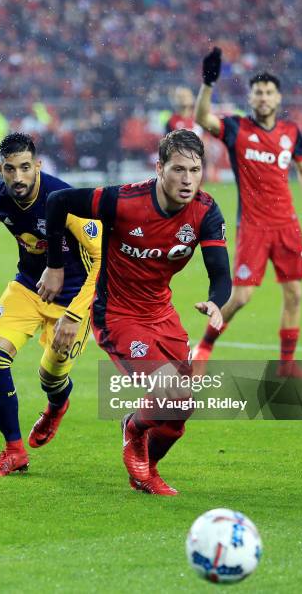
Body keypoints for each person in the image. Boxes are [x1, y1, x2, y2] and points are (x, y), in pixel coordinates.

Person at [38, 129, 232, 495]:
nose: (187, 179)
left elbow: (221, 273)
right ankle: (134, 429)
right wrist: (55, 265)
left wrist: (215, 302)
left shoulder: (205, 211)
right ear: (159, 168)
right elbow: (59, 201)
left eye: (194, 170)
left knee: (179, 415)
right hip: (118, 315)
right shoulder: (124, 201)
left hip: (162, 314)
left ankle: (147, 467)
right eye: (178, 170)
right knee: (170, 393)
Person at [0, 133, 101, 476]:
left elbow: (101, 257)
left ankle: (57, 404)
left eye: (26, 168)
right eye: (11, 169)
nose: (18, 177)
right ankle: (14, 450)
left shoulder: (64, 199)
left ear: (38, 166)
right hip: (28, 286)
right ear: (0, 168)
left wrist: (76, 314)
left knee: (51, 377)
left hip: (73, 298)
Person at [192, 48, 302, 378]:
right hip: (253, 227)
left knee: (295, 293)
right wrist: (208, 84)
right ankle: (204, 347)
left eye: (269, 92)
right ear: (250, 97)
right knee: (241, 298)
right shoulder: (237, 128)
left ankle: (286, 366)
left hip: (287, 225)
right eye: (258, 92)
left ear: (278, 97)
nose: (263, 97)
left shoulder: (291, 133)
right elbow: (202, 119)